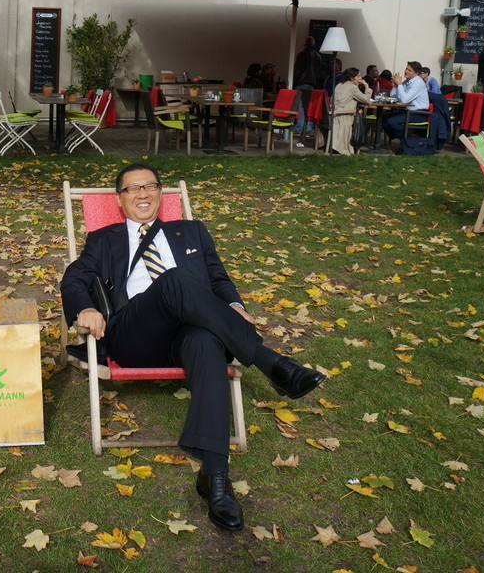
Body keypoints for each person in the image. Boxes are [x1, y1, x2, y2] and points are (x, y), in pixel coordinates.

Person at [61, 163, 326, 532]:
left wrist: (234, 308)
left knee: (205, 341)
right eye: (132, 189)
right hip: (134, 334)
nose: (142, 194)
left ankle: (215, 477)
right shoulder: (104, 239)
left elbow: (218, 277)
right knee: (176, 280)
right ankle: (272, 364)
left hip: (188, 333)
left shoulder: (193, 232)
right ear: (120, 200)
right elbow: (74, 278)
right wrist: (86, 308)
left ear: (160, 194)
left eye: (150, 187)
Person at [384, 61, 430, 144]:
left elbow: (404, 100)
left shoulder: (418, 83)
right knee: (383, 118)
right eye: (406, 69)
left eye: (409, 70)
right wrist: (396, 85)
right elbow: (394, 96)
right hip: (407, 111)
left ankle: (409, 138)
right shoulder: (406, 82)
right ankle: (403, 140)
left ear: (416, 73)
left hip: (418, 113)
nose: (406, 71)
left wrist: (400, 85)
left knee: (391, 122)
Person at [332, 67, 372, 155]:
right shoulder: (352, 88)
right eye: (358, 76)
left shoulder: (339, 85)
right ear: (352, 78)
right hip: (345, 115)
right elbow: (366, 100)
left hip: (335, 114)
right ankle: (358, 144)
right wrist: (367, 87)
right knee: (364, 123)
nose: (361, 78)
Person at [292, 36, 324, 135]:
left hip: (301, 83)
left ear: (305, 44)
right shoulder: (318, 56)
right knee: (310, 107)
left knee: (300, 107)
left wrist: (294, 84)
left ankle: (299, 128)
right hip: (312, 85)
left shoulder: (301, 55)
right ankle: (309, 129)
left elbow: (297, 70)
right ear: (313, 44)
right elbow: (318, 72)